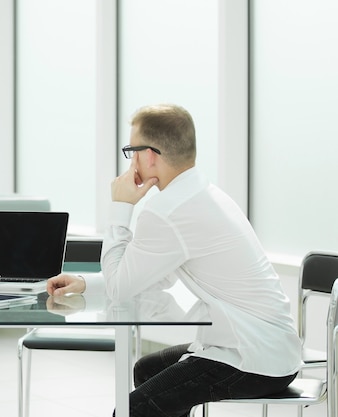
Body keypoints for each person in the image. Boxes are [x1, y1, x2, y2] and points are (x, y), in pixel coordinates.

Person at [47, 104, 301, 417]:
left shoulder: (167, 210)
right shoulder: (203, 193)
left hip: (250, 360)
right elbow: (153, 276)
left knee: (130, 410)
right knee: (147, 369)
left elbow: (120, 289)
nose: (131, 161)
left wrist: (120, 207)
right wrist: (87, 283)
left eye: (132, 151)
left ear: (150, 155)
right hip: (275, 351)